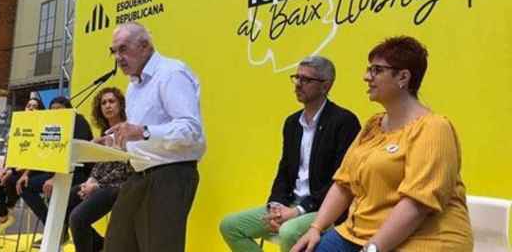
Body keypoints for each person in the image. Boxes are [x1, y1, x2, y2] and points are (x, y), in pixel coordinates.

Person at [291, 36, 473, 252]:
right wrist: (316, 228)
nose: (366, 77)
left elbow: (416, 205)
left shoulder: (434, 129)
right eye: (369, 69)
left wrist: (373, 248)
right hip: (359, 234)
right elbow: (343, 184)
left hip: (423, 239)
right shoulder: (373, 126)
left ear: (403, 77)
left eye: (377, 70)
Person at [219, 56, 361, 252]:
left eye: (306, 80)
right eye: (296, 78)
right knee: (231, 226)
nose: (298, 84)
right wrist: (275, 206)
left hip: (323, 209)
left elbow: (341, 180)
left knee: (288, 231)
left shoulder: (344, 121)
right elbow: (285, 170)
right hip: (290, 203)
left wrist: (297, 211)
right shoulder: (292, 123)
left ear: (326, 86)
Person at [101, 22, 206, 252]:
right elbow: (139, 136)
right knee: (116, 245)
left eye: (123, 49)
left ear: (145, 46)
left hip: (171, 174)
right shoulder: (133, 87)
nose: (118, 57)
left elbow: (190, 129)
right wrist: (111, 142)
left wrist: (143, 131)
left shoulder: (171, 73)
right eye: (114, 51)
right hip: (139, 174)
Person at [17, 95, 94, 244]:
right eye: (52, 110)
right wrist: (27, 173)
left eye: (59, 110)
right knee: (25, 186)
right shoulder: (51, 124)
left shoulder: (78, 121)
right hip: (55, 173)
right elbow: (43, 152)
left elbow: (77, 154)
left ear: (69, 109)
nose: (56, 113)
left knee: (62, 198)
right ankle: (52, 227)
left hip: (78, 174)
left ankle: (58, 230)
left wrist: (55, 178)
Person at [68, 87, 132, 252]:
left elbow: (125, 167)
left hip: (121, 186)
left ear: (121, 105)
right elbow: (101, 164)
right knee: (64, 200)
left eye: (112, 101)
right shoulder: (104, 133)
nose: (107, 106)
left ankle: (98, 246)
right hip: (101, 183)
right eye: (103, 103)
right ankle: (99, 244)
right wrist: (90, 180)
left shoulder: (128, 130)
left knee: (77, 218)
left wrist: (97, 185)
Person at [0, 97, 44, 236]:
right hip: (15, 168)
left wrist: (13, 171)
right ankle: (4, 215)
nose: (30, 108)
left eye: (34, 106)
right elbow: (11, 151)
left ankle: (7, 209)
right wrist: (5, 168)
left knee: (12, 180)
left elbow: (38, 156)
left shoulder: (42, 128)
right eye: (28, 105)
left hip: (33, 170)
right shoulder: (18, 127)